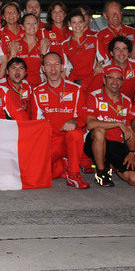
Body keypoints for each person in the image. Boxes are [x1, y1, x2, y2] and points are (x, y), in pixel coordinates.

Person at [29, 52, 88, 189]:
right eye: (48, 65)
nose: (53, 69)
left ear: (62, 67)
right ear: (43, 68)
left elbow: (84, 118)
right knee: (39, 175)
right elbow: (36, 125)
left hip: (70, 141)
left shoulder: (76, 89)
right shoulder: (37, 92)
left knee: (75, 133)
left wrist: (74, 121)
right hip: (51, 142)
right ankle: (62, 166)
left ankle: (73, 175)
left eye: (56, 64)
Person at [84, 65, 135, 187]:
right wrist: (118, 123)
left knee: (134, 180)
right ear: (104, 80)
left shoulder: (126, 101)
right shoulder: (94, 96)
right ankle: (101, 172)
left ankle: (110, 164)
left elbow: (130, 130)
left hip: (116, 145)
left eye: (119, 79)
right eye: (111, 78)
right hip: (96, 141)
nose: (115, 82)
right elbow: (90, 124)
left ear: (122, 82)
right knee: (99, 131)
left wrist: (131, 152)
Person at [97, 36, 135, 100]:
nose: (121, 52)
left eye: (124, 49)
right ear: (111, 53)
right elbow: (95, 92)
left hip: (131, 103)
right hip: (110, 104)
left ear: (129, 52)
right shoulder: (104, 68)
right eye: (117, 49)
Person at [61, 8, 98, 96]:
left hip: (92, 81)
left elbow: (104, 59)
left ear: (84, 23)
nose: (77, 25)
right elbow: (64, 68)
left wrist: (100, 64)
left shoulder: (94, 39)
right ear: (69, 24)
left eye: (80, 22)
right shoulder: (65, 44)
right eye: (74, 22)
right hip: (75, 81)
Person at [9, 13, 47, 89]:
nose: (32, 26)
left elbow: (48, 68)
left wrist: (43, 53)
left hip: (39, 85)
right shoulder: (16, 44)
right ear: (23, 27)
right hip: (19, 86)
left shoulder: (44, 44)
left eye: (35, 23)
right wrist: (13, 54)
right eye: (28, 23)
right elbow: (9, 69)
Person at [0, 57, 32, 121]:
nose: (17, 72)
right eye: (13, 68)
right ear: (7, 71)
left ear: (25, 72)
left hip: (24, 123)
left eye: (21, 68)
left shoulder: (26, 85)